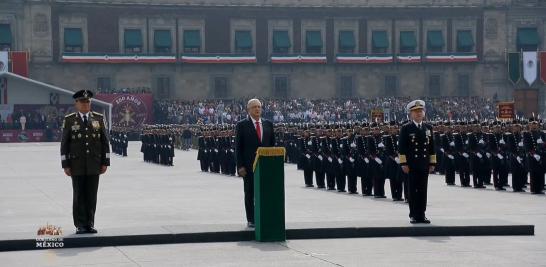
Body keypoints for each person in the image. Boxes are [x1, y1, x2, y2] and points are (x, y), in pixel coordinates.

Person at [60, 90, 110, 234]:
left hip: (94, 164)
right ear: (76, 103)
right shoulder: (70, 120)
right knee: (79, 195)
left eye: (88, 101)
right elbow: (65, 144)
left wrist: (105, 161)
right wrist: (66, 164)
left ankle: (90, 223)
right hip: (77, 165)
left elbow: (104, 142)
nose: (86, 104)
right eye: (82, 101)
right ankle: (80, 224)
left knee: (92, 195)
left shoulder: (98, 118)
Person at [235, 99, 275, 228]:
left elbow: (272, 146)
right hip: (248, 166)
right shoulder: (242, 125)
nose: (257, 109)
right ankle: (251, 219)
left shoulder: (268, 124)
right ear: (248, 110)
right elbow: (238, 147)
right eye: (254, 107)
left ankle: (264, 216)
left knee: (265, 193)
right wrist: (240, 166)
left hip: (266, 166)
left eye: (259, 107)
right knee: (250, 193)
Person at [398, 100, 436, 224]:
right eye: (416, 111)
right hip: (412, 165)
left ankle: (422, 214)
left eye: (421, 111)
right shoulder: (406, 128)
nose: (419, 113)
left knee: (423, 190)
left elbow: (432, 147)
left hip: (424, 164)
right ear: (411, 114)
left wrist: (432, 163)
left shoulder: (428, 127)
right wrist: (403, 164)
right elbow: (402, 148)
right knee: (412, 190)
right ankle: (413, 214)